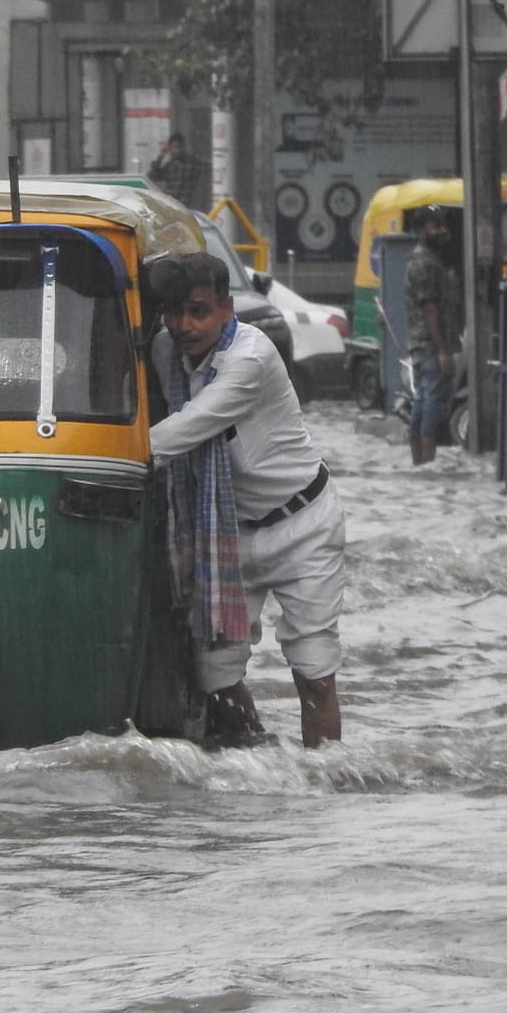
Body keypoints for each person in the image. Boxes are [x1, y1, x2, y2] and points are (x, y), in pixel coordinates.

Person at [146, 252, 345, 748]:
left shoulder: (250, 359)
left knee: (314, 674)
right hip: (226, 530)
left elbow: (182, 430)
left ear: (226, 310)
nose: (184, 326)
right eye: (174, 312)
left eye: (198, 312)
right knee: (216, 677)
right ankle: (263, 761)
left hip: (303, 525)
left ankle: (322, 779)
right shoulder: (164, 350)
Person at [403, 205, 462, 466]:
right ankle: (426, 461)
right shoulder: (426, 264)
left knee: (422, 400)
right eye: (435, 227)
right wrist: (443, 350)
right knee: (431, 403)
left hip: (421, 344)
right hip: (431, 346)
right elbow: (430, 309)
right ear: (420, 231)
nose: (442, 231)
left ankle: (420, 464)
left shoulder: (422, 261)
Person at [146, 132, 205, 210]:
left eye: (179, 147)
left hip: (187, 206)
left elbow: (202, 171)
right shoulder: (169, 165)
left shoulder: (192, 164)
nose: (177, 150)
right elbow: (152, 176)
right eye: (174, 147)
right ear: (170, 149)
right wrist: (161, 155)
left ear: (183, 147)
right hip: (171, 205)